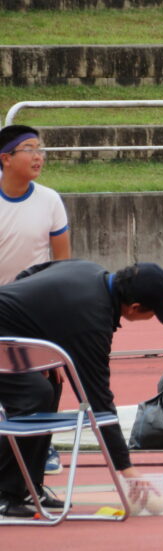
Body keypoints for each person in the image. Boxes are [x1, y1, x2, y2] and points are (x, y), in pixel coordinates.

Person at [0, 259, 163, 518]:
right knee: (34, 396)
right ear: (134, 307)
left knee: (49, 386)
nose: (153, 317)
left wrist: (34, 345)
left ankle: (25, 486)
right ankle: (4, 492)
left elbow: (31, 272)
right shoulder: (92, 320)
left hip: (7, 331)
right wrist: (125, 468)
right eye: (153, 313)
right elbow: (96, 398)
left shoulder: (89, 269)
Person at [0, 124, 71, 477]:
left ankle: (44, 445)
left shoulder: (49, 200)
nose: (38, 156)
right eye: (29, 148)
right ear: (6, 159)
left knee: (46, 381)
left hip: (35, 308)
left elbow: (61, 264)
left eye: (40, 148)